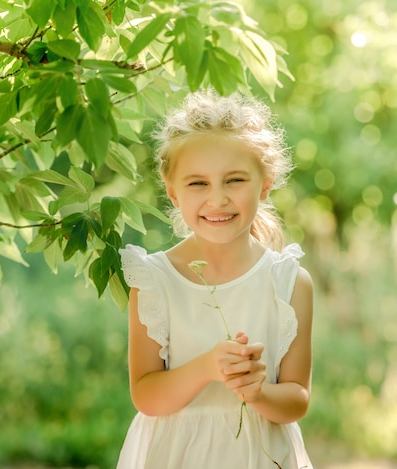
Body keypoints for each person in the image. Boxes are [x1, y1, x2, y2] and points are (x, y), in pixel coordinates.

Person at [117, 90, 314, 469]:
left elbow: (297, 398)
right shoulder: (154, 281)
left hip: (261, 457)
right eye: (198, 184)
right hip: (176, 457)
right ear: (173, 191)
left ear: (265, 183)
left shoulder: (288, 283)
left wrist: (257, 392)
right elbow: (146, 396)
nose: (218, 199)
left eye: (235, 180)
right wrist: (207, 368)